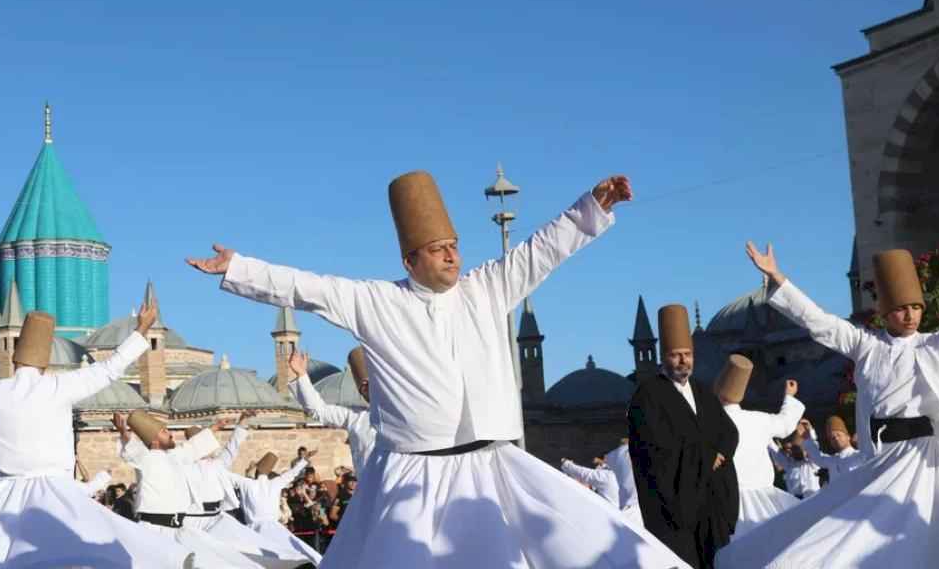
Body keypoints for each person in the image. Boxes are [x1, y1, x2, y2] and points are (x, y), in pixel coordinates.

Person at [190, 171, 686, 568]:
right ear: (410, 259)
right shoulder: (376, 301)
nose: (451, 255)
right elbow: (307, 287)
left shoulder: (485, 288)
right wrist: (239, 268)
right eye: (437, 248)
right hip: (414, 475)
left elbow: (540, 253)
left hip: (489, 463)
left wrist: (593, 205)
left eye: (454, 244)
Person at [0, 305, 195, 568]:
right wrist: (142, 329)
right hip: (57, 494)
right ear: (45, 361)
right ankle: (163, 559)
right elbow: (110, 368)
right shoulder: (60, 386)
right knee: (82, 551)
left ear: (15, 358)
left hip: (5, 499)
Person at [717, 246, 939, 567]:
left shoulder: (934, 344)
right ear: (882, 308)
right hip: (883, 460)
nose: (910, 315)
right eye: (901, 308)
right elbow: (818, 321)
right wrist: (777, 278)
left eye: (915, 308)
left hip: (928, 457)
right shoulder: (867, 344)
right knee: (848, 540)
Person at [628, 303, 740, 568]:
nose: (683, 361)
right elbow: (656, 451)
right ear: (664, 356)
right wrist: (705, 457)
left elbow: (728, 431)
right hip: (676, 511)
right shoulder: (648, 397)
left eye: (687, 354)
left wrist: (718, 454)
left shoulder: (702, 392)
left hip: (711, 504)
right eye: (676, 355)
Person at [115, 409, 278, 568]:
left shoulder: (177, 456)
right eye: (165, 432)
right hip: (154, 529)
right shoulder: (145, 458)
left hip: (178, 527)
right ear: (155, 441)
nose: (171, 434)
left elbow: (192, 447)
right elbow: (131, 449)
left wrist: (216, 427)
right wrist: (123, 430)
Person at [177, 412, 307, 567]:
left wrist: (241, 425)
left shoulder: (217, 464)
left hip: (217, 517)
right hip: (192, 520)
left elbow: (232, 448)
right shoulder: (182, 466)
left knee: (243, 552)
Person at [713, 356, 805, 538]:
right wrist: (789, 397)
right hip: (767, 502)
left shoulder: (708, 423)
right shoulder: (758, 419)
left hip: (726, 502)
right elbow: (786, 423)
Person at [223, 452, 322, 566]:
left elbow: (226, 475)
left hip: (254, 530)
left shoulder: (247, 483)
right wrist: (304, 460)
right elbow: (292, 473)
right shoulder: (275, 483)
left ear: (257, 470)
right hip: (275, 528)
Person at [288, 348, 374, 478]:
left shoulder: (402, 414)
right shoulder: (355, 416)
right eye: (363, 387)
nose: (367, 389)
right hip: (368, 489)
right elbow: (318, 410)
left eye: (370, 384)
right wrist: (301, 375)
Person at [799, 416, 865, 480]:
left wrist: (862, 441)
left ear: (848, 436)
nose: (836, 438)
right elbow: (817, 457)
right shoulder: (832, 461)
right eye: (832, 438)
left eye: (838, 435)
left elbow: (870, 454)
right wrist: (808, 435)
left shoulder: (859, 455)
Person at [766, 433, 821, 499]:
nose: (793, 451)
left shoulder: (813, 464)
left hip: (813, 498)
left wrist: (808, 432)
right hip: (795, 501)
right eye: (790, 449)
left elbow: (814, 447)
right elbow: (772, 447)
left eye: (796, 448)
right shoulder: (788, 464)